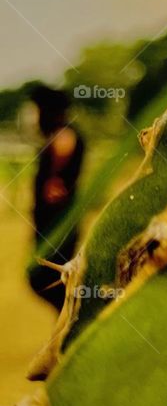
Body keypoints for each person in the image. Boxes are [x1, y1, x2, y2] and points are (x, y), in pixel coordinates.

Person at [28, 85, 85, 303]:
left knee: (46, 281)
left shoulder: (63, 137)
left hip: (57, 229)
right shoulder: (63, 135)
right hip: (54, 227)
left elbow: (54, 189)